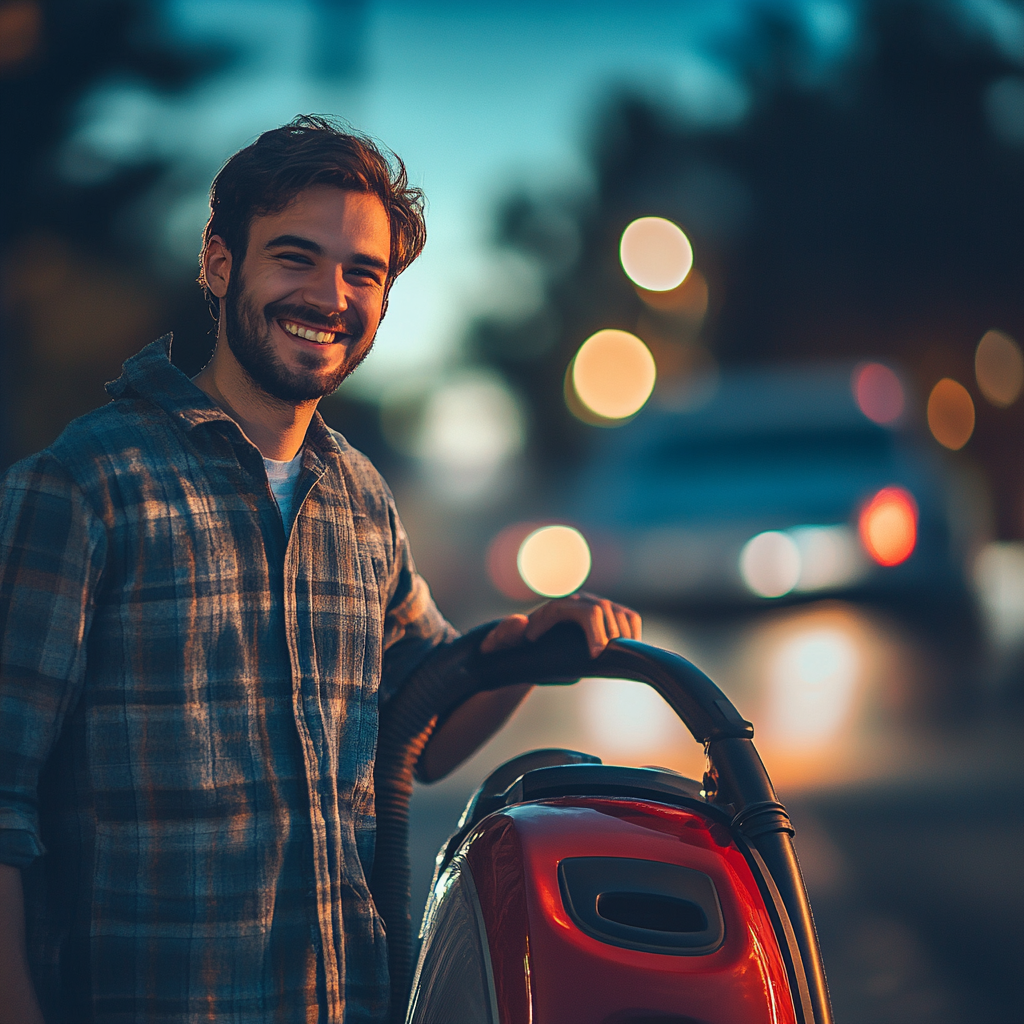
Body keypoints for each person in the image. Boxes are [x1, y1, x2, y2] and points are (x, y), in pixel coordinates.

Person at [0, 116, 641, 1023]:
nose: (329, 295)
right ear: (220, 266)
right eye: (294, 258)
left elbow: (421, 720)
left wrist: (531, 650)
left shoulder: (358, 498)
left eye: (362, 273)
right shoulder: (83, 487)